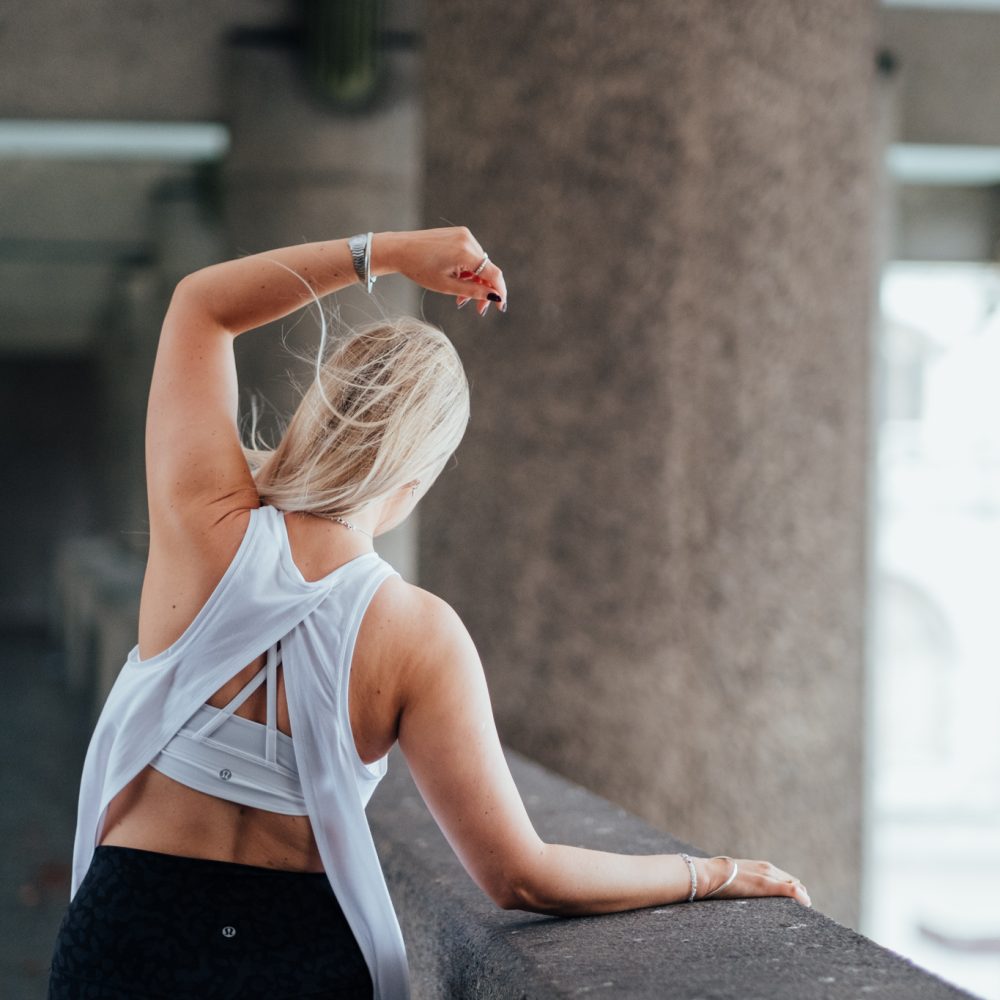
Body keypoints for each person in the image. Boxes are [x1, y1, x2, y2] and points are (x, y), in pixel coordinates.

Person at [48, 226, 811, 1000]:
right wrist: (709, 873)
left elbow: (200, 304)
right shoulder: (421, 635)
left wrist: (385, 254)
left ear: (318, 412)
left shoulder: (203, 523)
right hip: (300, 957)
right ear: (419, 476)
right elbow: (522, 876)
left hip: (132, 935)